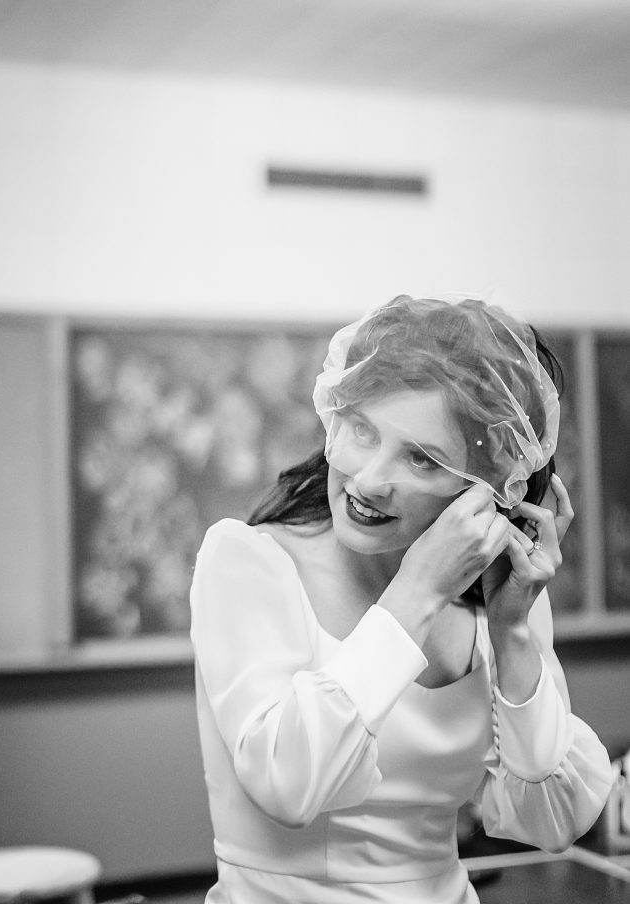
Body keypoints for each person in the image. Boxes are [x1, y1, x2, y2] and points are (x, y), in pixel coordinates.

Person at [190, 294, 613, 904]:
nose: (367, 479)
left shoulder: (497, 604)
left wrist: (514, 628)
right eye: (362, 430)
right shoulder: (249, 562)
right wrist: (417, 588)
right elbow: (288, 785)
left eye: (422, 457)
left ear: (487, 486)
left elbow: (551, 820)